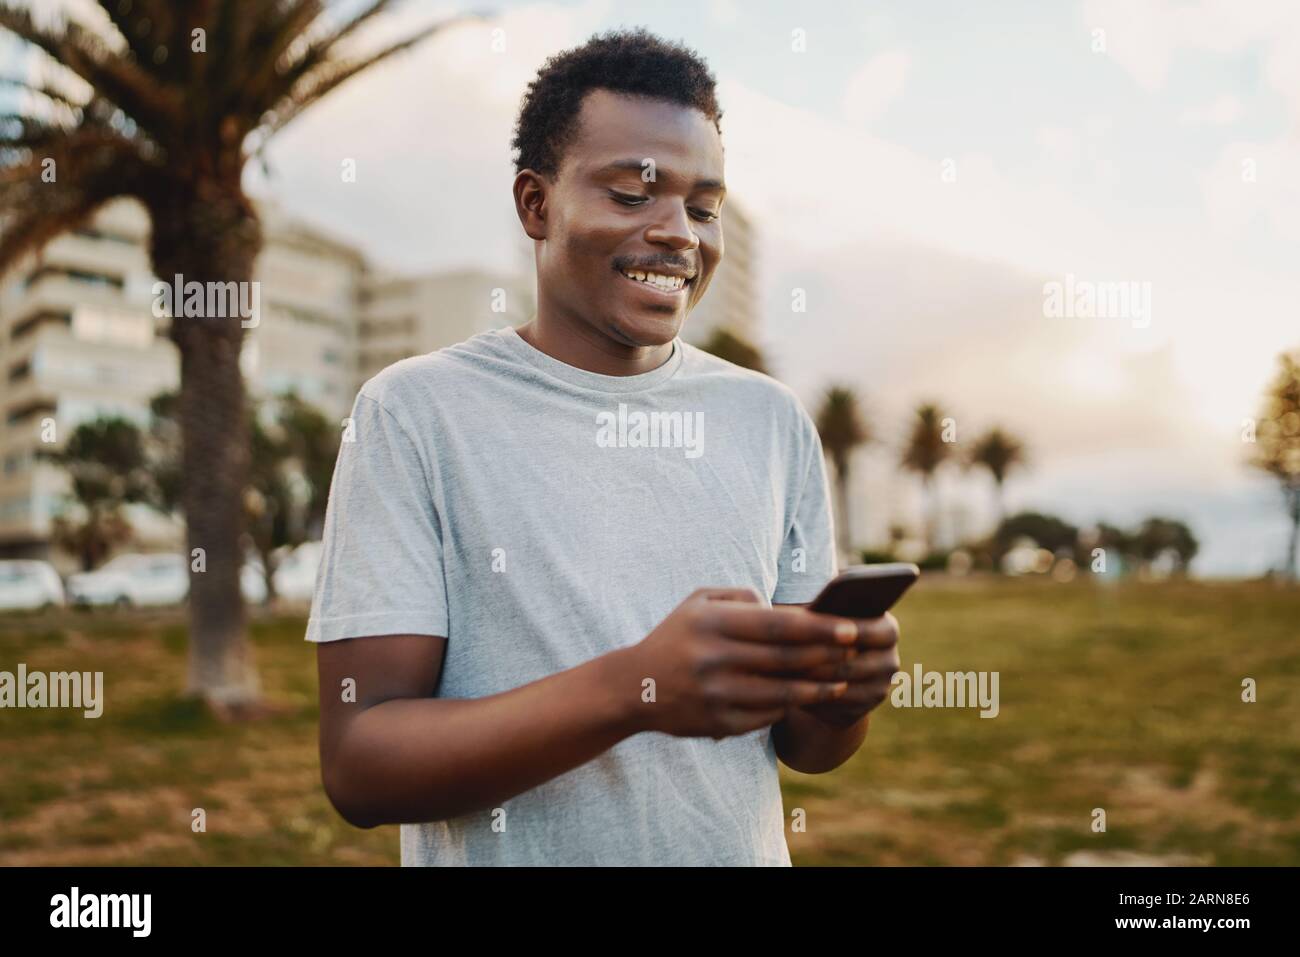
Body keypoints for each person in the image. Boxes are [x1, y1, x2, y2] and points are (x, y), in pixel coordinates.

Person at [308, 28, 900, 866]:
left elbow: (804, 747)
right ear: (535, 204)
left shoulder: (769, 421)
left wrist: (842, 698)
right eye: (632, 195)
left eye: (703, 208)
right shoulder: (413, 413)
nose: (679, 235)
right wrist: (634, 688)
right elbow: (362, 764)